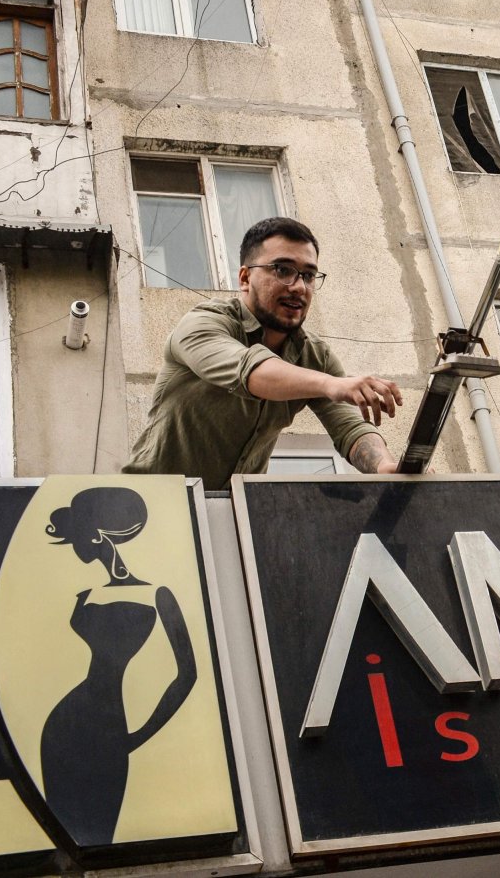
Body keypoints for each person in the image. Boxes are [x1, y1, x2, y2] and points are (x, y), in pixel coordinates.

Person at [124, 217, 402, 488]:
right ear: (245, 277)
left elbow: (350, 429)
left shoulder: (315, 356)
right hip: (151, 507)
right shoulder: (204, 324)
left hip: (234, 517)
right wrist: (331, 384)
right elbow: (252, 371)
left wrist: (384, 468)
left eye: (308, 275)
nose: (299, 287)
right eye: (282, 270)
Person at [40, 487, 194, 846]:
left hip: (111, 729)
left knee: (97, 838)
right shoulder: (87, 593)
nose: (75, 546)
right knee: (65, 840)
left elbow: (187, 674)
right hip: (63, 726)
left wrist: (140, 735)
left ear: (97, 535)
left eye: (78, 535)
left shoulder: (158, 593)